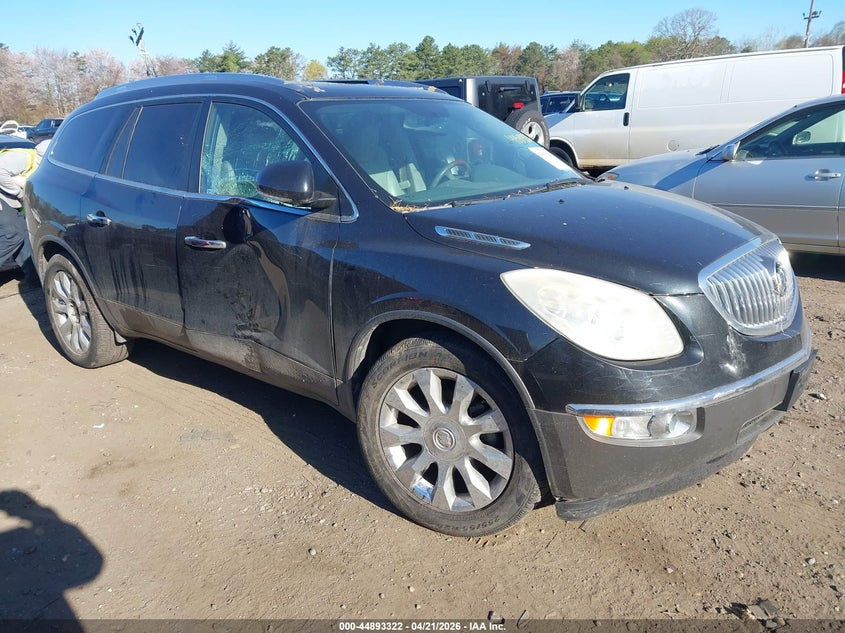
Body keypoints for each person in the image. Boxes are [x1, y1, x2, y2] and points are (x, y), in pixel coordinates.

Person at [0, 140, 49, 273]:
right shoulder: (24, 158)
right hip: (3, 198)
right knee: (12, 233)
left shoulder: (38, 165)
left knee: (24, 234)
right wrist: (20, 194)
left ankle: (33, 276)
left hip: (9, 200)